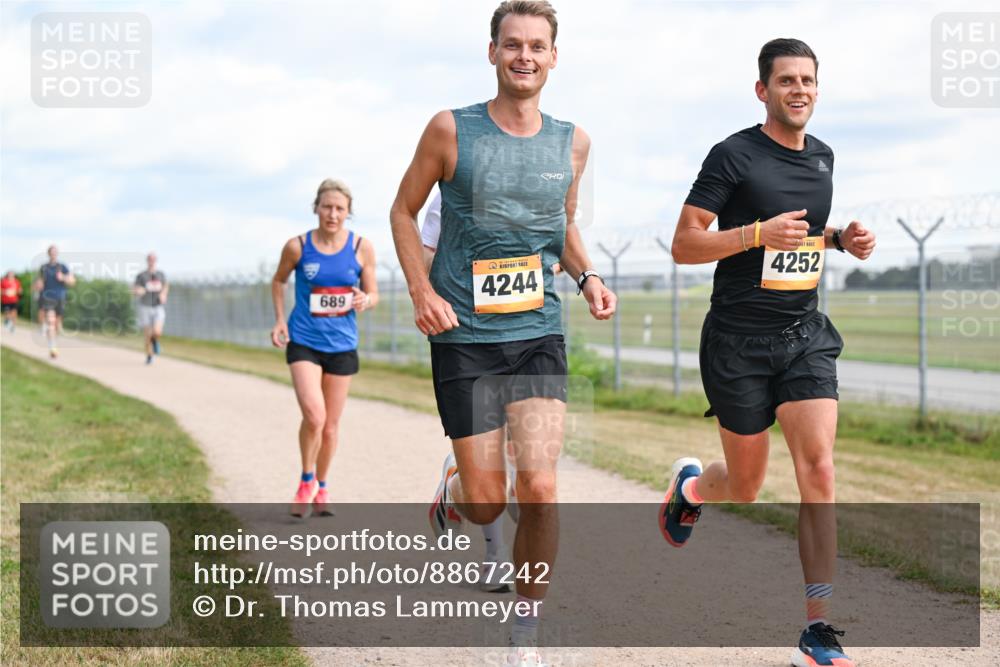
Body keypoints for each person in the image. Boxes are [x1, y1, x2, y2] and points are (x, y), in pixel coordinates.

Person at [389, 2, 616, 664]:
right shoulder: (449, 130)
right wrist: (421, 290)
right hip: (463, 333)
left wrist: (588, 276)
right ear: (492, 52)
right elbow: (403, 212)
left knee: (540, 485)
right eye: (512, 44)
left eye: (537, 46)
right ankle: (455, 488)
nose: (525, 56)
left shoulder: (573, 141)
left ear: (553, 57)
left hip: (539, 330)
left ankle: (525, 627)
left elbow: (560, 226)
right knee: (487, 504)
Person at [662, 38, 876, 667]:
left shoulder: (824, 158)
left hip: (803, 335)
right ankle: (693, 490)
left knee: (820, 470)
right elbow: (683, 243)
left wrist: (840, 239)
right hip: (736, 343)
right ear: (764, 90)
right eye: (786, 80)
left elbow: (802, 238)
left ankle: (818, 629)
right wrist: (754, 233)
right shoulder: (733, 155)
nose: (800, 89)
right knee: (747, 487)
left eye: (808, 80)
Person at [421, 189, 517, 594]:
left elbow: (557, 249)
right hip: (470, 340)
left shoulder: (538, 184)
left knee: (521, 459)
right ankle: (494, 555)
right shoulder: (449, 194)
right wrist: (436, 298)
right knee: (492, 468)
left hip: (528, 333)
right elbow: (427, 252)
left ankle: (501, 556)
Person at [271, 179, 378, 519]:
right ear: (316, 207)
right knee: (314, 417)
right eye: (327, 207)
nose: (333, 214)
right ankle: (305, 481)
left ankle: (323, 485)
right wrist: (279, 321)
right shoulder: (298, 247)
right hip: (304, 340)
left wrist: (366, 298)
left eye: (340, 208)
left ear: (349, 213)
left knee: (330, 427)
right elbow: (278, 281)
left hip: (342, 345)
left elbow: (373, 293)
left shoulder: (362, 247)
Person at [34, 245, 76, 358]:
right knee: (51, 321)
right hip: (47, 297)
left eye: (55, 252)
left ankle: (53, 342)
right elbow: (39, 283)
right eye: (51, 252)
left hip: (60, 297)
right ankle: (52, 347)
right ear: (49, 253)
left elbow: (72, 281)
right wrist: (38, 286)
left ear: (57, 253)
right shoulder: (44, 267)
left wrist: (63, 277)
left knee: (56, 323)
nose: (53, 254)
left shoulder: (62, 267)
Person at [134, 253, 169, 364]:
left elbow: (165, 286)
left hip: (157, 306)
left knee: (157, 332)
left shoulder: (160, 274)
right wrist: (139, 291)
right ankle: (149, 356)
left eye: (153, 259)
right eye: (150, 259)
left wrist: (163, 294)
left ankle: (155, 341)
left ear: (156, 261)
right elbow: (136, 289)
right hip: (145, 307)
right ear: (147, 261)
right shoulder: (141, 276)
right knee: (148, 334)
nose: (151, 261)